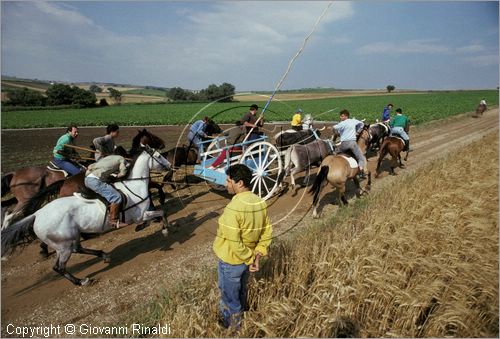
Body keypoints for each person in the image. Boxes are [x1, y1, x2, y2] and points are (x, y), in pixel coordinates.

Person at [213, 164, 272, 330]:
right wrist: (257, 256)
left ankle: (233, 329)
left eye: (228, 180)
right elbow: (266, 233)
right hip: (248, 262)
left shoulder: (233, 208)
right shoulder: (260, 202)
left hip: (231, 262)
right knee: (241, 293)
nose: (226, 184)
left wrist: (250, 258)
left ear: (239, 183)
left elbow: (235, 243)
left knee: (229, 299)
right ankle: (244, 322)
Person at [84, 155, 130, 228]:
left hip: (88, 178)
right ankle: (113, 221)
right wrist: (117, 176)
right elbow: (123, 172)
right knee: (116, 197)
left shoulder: (108, 158)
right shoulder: (122, 160)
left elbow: (90, 166)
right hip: (95, 181)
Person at [333, 109, 367, 179]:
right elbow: (362, 124)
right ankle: (361, 172)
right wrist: (357, 131)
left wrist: (333, 129)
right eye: (340, 116)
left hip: (343, 145)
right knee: (361, 158)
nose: (340, 117)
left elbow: (335, 128)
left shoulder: (341, 123)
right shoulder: (353, 121)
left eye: (342, 116)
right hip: (352, 144)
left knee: (335, 153)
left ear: (346, 116)